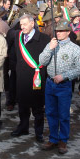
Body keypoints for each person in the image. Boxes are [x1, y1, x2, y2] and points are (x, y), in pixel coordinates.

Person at [39, 19, 80, 154]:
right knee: (50, 112)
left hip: (64, 85)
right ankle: (53, 138)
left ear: (68, 32)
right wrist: (49, 49)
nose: (58, 33)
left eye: (62, 31)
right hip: (50, 83)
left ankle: (63, 140)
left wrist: (64, 76)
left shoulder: (75, 48)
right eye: (57, 31)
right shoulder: (51, 44)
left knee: (63, 114)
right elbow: (41, 61)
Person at [11, 14, 50, 143]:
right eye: (21, 24)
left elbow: (47, 59)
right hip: (22, 76)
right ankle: (23, 127)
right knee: (22, 105)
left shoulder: (44, 38)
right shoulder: (18, 36)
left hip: (36, 77)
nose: (22, 27)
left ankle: (39, 132)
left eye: (25, 24)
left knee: (38, 107)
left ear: (32, 23)